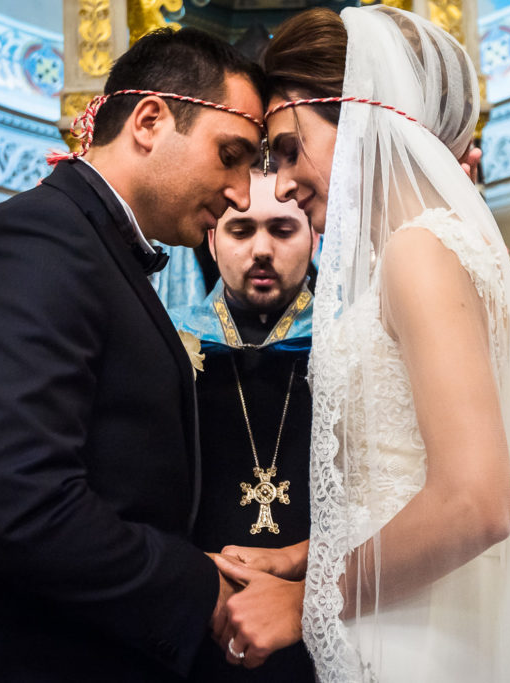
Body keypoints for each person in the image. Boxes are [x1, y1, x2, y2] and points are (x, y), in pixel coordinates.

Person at [211, 6, 510, 681]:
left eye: (286, 146)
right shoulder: (420, 248)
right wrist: (303, 553)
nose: (279, 181)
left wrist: (308, 599)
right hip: (406, 609)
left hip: (430, 638)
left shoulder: (418, 252)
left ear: (355, 114)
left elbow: (476, 502)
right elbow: (399, 480)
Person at [0, 29, 264, 683]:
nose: (240, 191)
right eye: (229, 155)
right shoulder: (37, 240)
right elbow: (22, 508)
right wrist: (197, 583)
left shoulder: (93, 248)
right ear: (149, 120)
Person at [170, 167, 319, 682]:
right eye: (241, 230)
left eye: (282, 229)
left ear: (313, 236)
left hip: (318, 618)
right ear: (212, 239)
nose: (261, 248)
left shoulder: (350, 346)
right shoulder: (171, 345)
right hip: (197, 615)